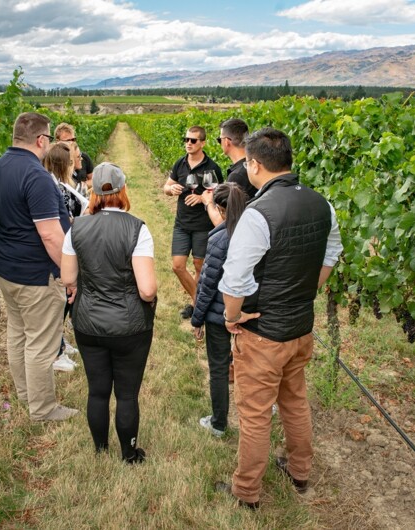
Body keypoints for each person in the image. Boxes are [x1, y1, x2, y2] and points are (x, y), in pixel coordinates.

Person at [215, 127, 343, 509]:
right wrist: (308, 290)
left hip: (264, 332)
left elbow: (235, 279)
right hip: (301, 327)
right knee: (295, 401)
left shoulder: (258, 214)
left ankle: (246, 492)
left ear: (254, 165)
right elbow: (332, 253)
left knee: (254, 416)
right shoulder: (323, 203)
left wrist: (231, 318)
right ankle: (300, 470)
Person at [61, 162, 157, 464]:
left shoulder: (77, 228)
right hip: (130, 327)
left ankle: (100, 449)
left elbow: (68, 279)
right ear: (123, 189)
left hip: (88, 324)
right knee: (126, 394)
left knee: (98, 390)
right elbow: (147, 290)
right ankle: (129, 453)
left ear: (92, 191)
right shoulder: (137, 230)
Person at [0, 112, 78, 422]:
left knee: (19, 333)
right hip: (36, 274)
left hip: (5, 267)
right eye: (48, 138)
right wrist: (69, 273)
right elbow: (50, 235)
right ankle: (43, 408)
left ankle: (26, 395)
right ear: (41, 140)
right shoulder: (36, 176)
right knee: (40, 342)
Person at [191, 182, 248, 438]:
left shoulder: (219, 239)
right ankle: (260, 412)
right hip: (249, 314)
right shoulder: (253, 235)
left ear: (220, 210)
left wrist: (197, 318)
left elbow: (207, 284)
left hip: (218, 316)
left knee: (218, 368)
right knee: (252, 366)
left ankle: (218, 423)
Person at [162, 126, 223, 319]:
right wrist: (170, 190)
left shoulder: (211, 167)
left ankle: (195, 305)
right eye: (186, 139)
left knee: (199, 266)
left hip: (203, 225)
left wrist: (201, 198)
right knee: (177, 266)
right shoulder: (180, 163)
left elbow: (219, 195)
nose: (188, 143)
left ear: (202, 143)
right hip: (181, 223)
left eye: (193, 140)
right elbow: (166, 186)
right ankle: (199, 301)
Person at [42, 142, 85, 373]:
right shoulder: (55, 187)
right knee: (60, 301)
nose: (75, 166)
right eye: (72, 162)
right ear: (63, 165)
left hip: (68, 246)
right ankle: (55, 352)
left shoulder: (62, 184)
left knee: (63, 301)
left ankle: (59, 344)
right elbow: (62, 220)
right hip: (61, 250)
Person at [207, 119, 255, 227]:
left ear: (227, 141)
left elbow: (222, 222)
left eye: (220, 140)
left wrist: (208, 202)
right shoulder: (254, 167)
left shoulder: (237, 176)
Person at [54, 122, 94, 193]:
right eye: (68, 140)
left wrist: (80, 186)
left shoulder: (84, 157)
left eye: (73, 139)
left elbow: (93, 180)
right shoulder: (55, 162)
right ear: (57, 142)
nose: (72, 143)